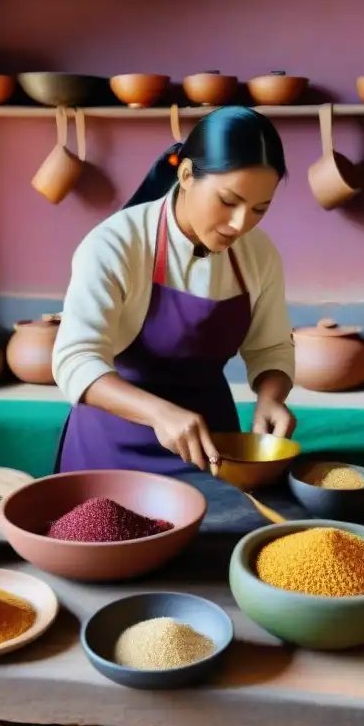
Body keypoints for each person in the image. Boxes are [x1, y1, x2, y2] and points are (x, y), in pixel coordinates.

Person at [52, 106, 296, 476]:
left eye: (259, 209)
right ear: (186, 175)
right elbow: (75, 360)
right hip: (112, 447)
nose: (240, 224)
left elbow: (271, 347)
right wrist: (158, 413)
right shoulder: (115, 244)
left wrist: (271, 397)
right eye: (228, 201)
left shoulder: (258, 254)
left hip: (210, 447)